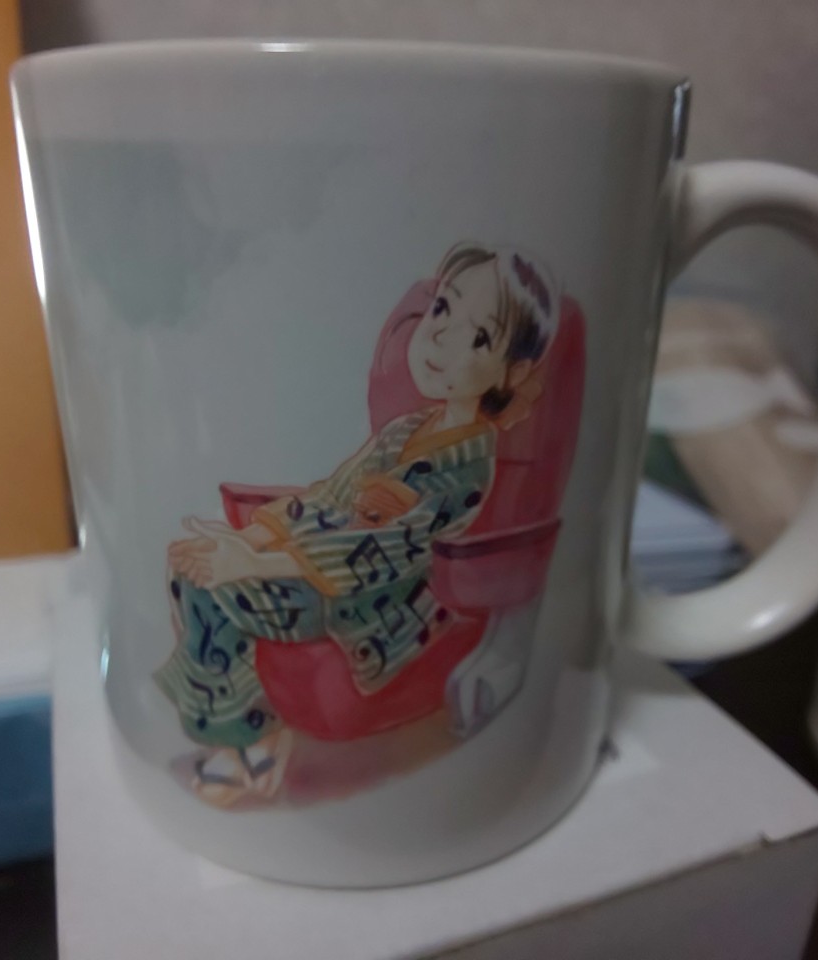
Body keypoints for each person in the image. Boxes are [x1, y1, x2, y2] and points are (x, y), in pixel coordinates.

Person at [155, 242, 559, 805]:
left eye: (478, 338)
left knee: (217, 591)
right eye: (442, 308)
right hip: (319, 564)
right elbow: (330, 494)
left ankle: (252, 741)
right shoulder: (405, 430)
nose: (441, 336)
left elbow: (382, 553)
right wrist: (249, 539)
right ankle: (240, 731)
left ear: (509, 372)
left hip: (373, 602)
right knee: (190, 570)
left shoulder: (466, 467)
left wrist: (253, 562)